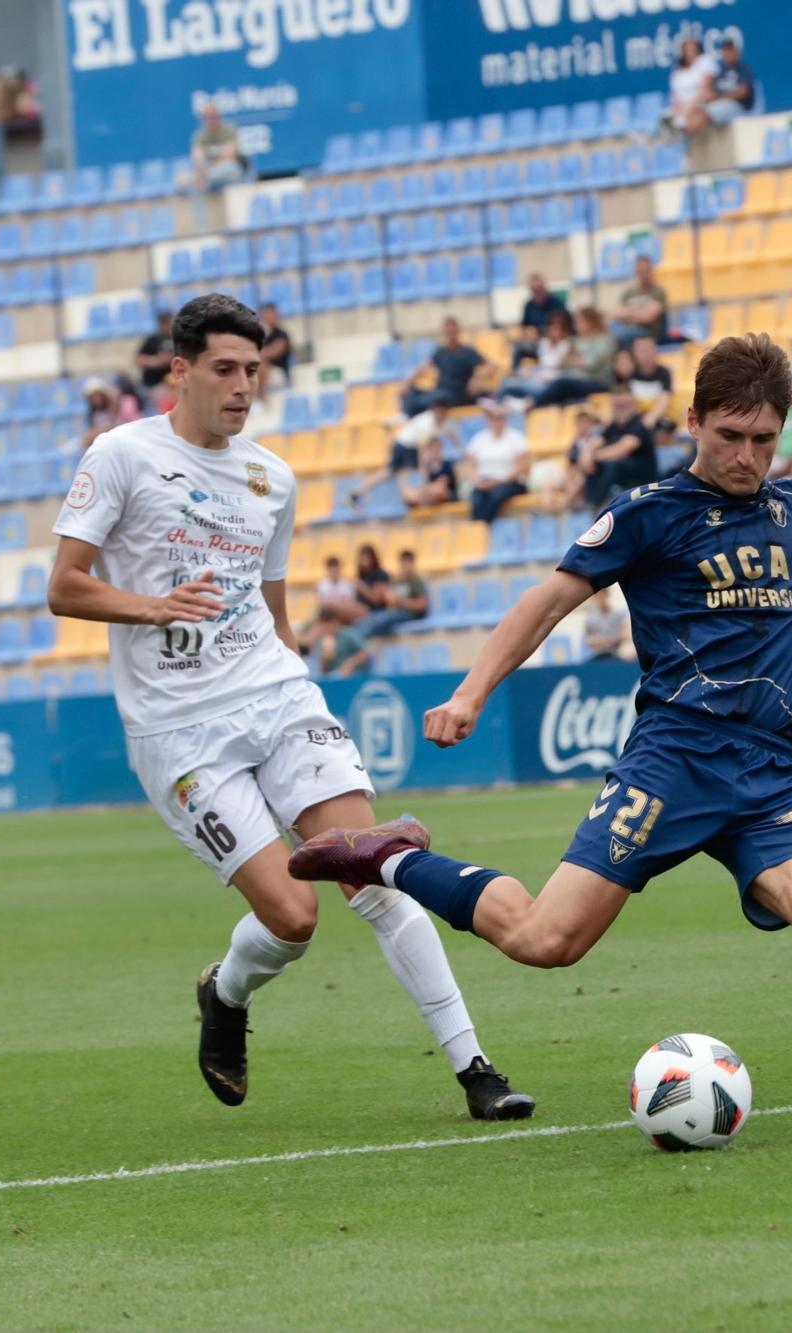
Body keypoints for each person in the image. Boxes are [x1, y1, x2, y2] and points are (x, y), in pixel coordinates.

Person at [289, 332, 792, 1140]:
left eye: (763, 439)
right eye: (729, 436)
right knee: (545, 939)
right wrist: (471, 692)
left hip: (772, 769)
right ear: (694, 420)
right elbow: (548, 602)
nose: (745, 456)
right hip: (675, 761)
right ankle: (393, 855)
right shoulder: (649, 514)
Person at [45, 294, 530, 1120]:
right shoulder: (121, 455)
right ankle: (226, 995)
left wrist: (299, 684)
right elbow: (64, 586)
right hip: (179, 728)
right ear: (182, 369)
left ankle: (476, 1069)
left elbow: (272, 608)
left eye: (254, 370)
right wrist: (154, 606)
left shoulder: (273, 476)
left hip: (274, 694)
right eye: (226, 369)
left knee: (371, 866)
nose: (242, 386)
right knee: (292, 916)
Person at [332, 549, 432, 676]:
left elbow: (422, 605)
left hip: (410, 614)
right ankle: (354, 638)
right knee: (374, 618)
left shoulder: (416, 581)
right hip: (396, 612)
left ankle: (357, 639)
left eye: (407, 563)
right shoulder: (399, 581)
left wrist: (399, 601)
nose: (405, 566)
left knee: (379, 618)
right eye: (403, 563)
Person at [402, 318, 490, 415]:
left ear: (458, 331)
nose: (451, 335)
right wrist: (408, 382)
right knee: (414, 392)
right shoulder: (440, 352)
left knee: (435, 397)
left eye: (453, 331)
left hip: (458, 395)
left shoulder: (467, 352)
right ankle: (411, 410)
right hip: (441, 391)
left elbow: (490, 365)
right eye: (448, 332)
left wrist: (476, 379)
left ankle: (413, 410)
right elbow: (423, 367)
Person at [463, 398, 530, 524]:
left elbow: (522, 465)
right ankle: (478, 529)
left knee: (496, 496)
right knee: (476, 498)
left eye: (500, 418)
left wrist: (499, 481)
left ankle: (481, 527)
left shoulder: (516, 438)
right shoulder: (479, 439)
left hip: (509, 482)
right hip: (484, 482)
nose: (496, 422)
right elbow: (470, 465)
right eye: (493, 418)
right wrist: (478, 482)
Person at [499, 309, 578, 404]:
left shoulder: (568, 346)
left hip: (550, 383)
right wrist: (530, 372)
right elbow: (540, 365)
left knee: (515, 387)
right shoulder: (544, 343)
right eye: (551, 327)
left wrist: (541, 376)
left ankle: (518, 404)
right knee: (507, 381)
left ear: (564, 330)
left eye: (557, 328)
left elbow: (565, 372)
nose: (553, 331)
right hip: (537, 378)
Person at [694, 35, 756, 131]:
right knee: (697, 109)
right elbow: (711, 91)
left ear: (736, 51)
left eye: (730, 50)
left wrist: (719, 98)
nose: (728, 53)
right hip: (718, 103)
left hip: (738, 105)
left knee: (707, 114)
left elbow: (743, 92)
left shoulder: (743, 69)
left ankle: (682, 134)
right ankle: (681, 131)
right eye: (725, 50)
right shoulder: (720, 70)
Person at [662, 36, 718, 138]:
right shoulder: (677, 69)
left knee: (692, 121)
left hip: (700, 105)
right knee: (664, 118)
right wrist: (679, 109)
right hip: (682, 109)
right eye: (687, 49)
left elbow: (705, 91)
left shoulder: (705, 62)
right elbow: (675, 95)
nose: (690, 52)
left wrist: (688, 109)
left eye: (693, 49)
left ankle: (680, 128)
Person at [511, 274, 570, 369]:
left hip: (557, 340)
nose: (537, 292)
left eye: (539, 288)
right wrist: (526, 336)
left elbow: (566, 324)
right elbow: (524, 326)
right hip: (538, 341)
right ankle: (515, 374)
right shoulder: (529, 306)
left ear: (545, 288)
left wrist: (554, 335)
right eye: (534, 289)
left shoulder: (556, 303)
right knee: (517, 346)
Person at [612, 255, 671, 345]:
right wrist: (640, 313)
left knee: (622, 337)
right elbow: (617, 313)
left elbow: (649, 317)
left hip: (651, 334)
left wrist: (628, 314)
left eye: (645, 269)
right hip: (630, 332)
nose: (643, 272)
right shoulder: (629, 293)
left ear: (651, 270)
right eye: (640, 269)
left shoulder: (658, 291)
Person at [255, 303, 292, 402]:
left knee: (262, 366)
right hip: (265, 373)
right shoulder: (261, 337)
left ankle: (260, 399)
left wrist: (262, 354)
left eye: (271, 314)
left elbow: (272, 352)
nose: (269, 317)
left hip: (280, 374)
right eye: (266, 314)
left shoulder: (282, 335)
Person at [583, 586, 628, 659]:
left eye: (602, 594)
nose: (601, 598)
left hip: (614, 655)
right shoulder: (590, 617)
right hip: (597, 655)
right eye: (598, 595)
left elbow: (623, 637)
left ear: (607, 595)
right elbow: (588, 640)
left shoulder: (617, 614)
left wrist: (604, 641)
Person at [136, 310, 175, 392]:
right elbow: (138, 359)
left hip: (174, 383)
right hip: (154, 383)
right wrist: (156, 361)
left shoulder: (178, 339)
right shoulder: (152, 339)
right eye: (166, 323)